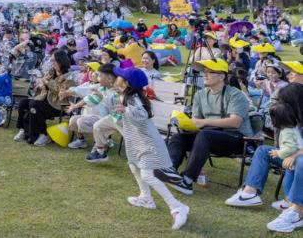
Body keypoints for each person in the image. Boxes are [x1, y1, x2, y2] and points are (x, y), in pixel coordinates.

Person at [114, 66, 189, 230]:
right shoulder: (127, 96)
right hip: (138, 143)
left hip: (149, 144)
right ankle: (146, 198)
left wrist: (125, 110)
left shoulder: (133, 99)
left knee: (147, 175)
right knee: (134, 167)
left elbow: (141, 115)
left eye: (120, 76)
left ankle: (177, 206)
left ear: (127, 83)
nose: (117, 78)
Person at [166, 58, 253, 195]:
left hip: (236, 139)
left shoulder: (235, 94)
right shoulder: (200, 94)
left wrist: (205, 122)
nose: (205, 75)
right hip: (207, 136)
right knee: (178, 137)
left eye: (210, 72)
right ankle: (170, 172)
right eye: (204, 72)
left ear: (222, 76)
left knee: (205, 135)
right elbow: (196, 120)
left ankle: (187, 181)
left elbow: (235, 122)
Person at [225, 82, 303, 233]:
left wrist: (294, 155)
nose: (281, 105)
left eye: (284, 102)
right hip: (292, 155)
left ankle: (297, 211)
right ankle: (250, 193)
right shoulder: (293, 119)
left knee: (300, 161)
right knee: (263, 151)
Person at [13, 51, 73, 146]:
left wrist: (47, 82)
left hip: (57, 105)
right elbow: (39, 84)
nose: (52, 63)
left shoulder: (69, 76)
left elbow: (60, 91)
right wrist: (40, 84)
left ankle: (43, 134)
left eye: (54, 61)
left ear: (61, 61)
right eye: (51, 60)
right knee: (23, 103)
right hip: (44, 100)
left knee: (34, 105)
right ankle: (24, 130)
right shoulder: (51, 72)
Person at [86, 64, 124, 162]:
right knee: (98, 126)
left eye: (100, 75)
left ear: (109, 78)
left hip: (125, 119)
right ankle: (100, 152)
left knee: (133, 140)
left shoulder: (119, 88)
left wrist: (101, 97)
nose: (98, 78)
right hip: (114, 117)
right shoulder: (103, 88)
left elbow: (115, 104)